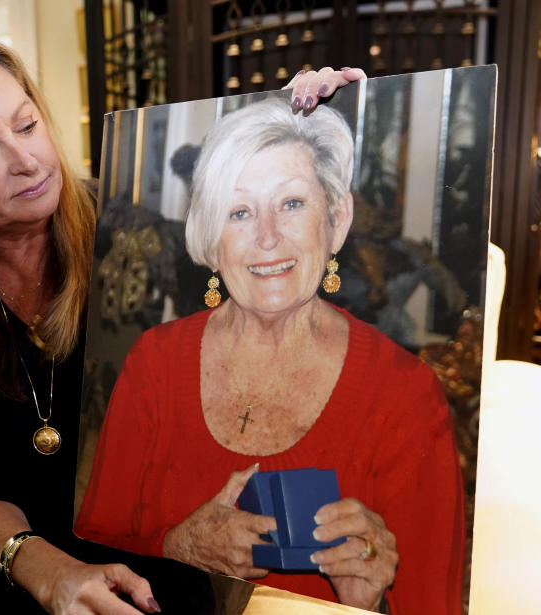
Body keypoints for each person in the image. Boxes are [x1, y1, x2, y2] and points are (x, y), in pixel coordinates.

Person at [0, 16, 365, 615]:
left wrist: (298, 126)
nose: (28, 160)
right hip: (29, 538)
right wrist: (47, 570)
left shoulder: (136, 233)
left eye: (27, 125)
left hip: (163, 532)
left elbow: (288, 332)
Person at [75, 98, 466, 615]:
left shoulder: (405, 393)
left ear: (337, 219)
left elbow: (431, 603)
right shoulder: (154, 363)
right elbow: (93, 560)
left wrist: (370, 607)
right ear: (212, 240)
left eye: (291, 204)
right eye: (239, 212)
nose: (267, 238)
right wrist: (176, 548)